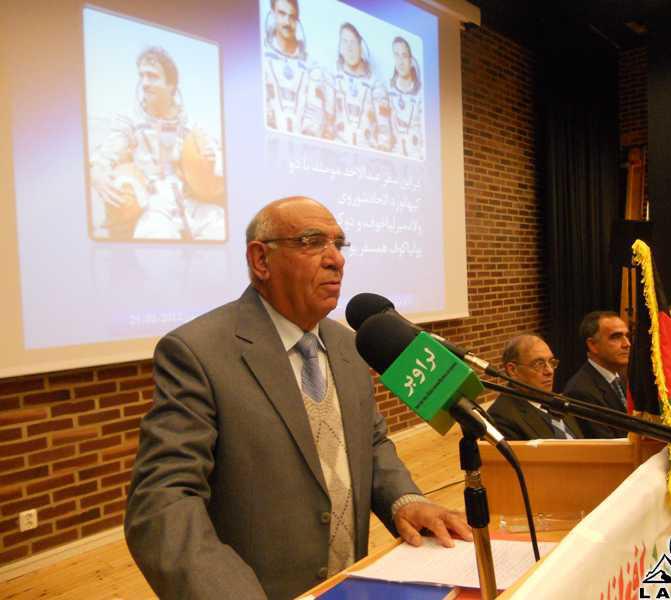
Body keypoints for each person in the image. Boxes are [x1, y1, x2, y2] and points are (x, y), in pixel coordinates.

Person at [124, 196, 471, 599]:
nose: (336, 259)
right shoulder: (198, 353)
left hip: (347, 586)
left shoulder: (349, 346)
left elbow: (370, 444)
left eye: (338, 244)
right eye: (312, 242)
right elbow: (163, 502)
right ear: (261, 260)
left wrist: (404, 501)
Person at [90, 46, 225, 241]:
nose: (144, 83)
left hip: (190, 201)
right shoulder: (129, 120)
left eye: (152, 76)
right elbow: (108, 152)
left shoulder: (190, 124)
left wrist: (214, 157)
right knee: (156, 240)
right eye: (142, 76)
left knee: (220, 227)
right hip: (152, 205)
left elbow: (216, 151)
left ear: (171, 84)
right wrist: (97, 171)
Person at [487, 334, 583, 440]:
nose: (550, 371)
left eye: (551, 362)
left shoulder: (558, 401)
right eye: (539, 364)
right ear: (513, 370)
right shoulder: (502, 417)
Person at [263, 0, 333, 138]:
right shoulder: (261, 55)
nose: (287, 22)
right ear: (272, 14)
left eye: (292, 17)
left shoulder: (312, 67)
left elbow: (315, 111)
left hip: (303, 148)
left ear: (297, 21)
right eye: (282, 13)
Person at [563, 311, 631, 439]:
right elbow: (606, 444)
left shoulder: (623, 378)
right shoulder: (580, 391)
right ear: (592, 345)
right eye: (616, 337)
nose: (627, 344)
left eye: (627, 336)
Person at [332, 22, 379, 148]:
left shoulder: (375, 86)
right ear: (340, 48)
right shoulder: (332, 79)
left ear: (360, 47)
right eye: (345, 42)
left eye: (353, 42)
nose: (349, 48)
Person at [384, 36, 425, 159]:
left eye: (404, 56)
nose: (401, 62)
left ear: (411, 60)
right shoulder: (386, 90)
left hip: (417, 158)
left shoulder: (421, 94)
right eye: (397, 55)